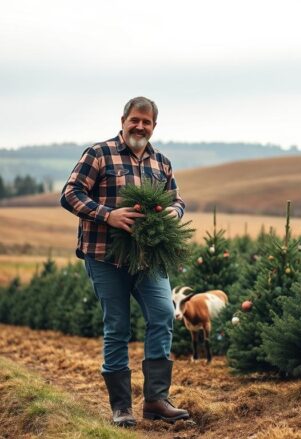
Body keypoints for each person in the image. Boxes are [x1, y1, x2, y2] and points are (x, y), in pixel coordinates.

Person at [61, 97, 190, 427]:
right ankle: (121, 407)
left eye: (147, 122)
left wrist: (173, 214)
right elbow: (70, 193)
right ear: (123, 120)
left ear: (154, 126)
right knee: (117, 327)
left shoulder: (161, 162)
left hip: (148, 259)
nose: (140, 126)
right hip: (105, 257)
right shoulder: (99, 154)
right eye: (135, 120)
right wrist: (109, 215)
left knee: (163, 314)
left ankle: (156, 400)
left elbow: (177, 200)